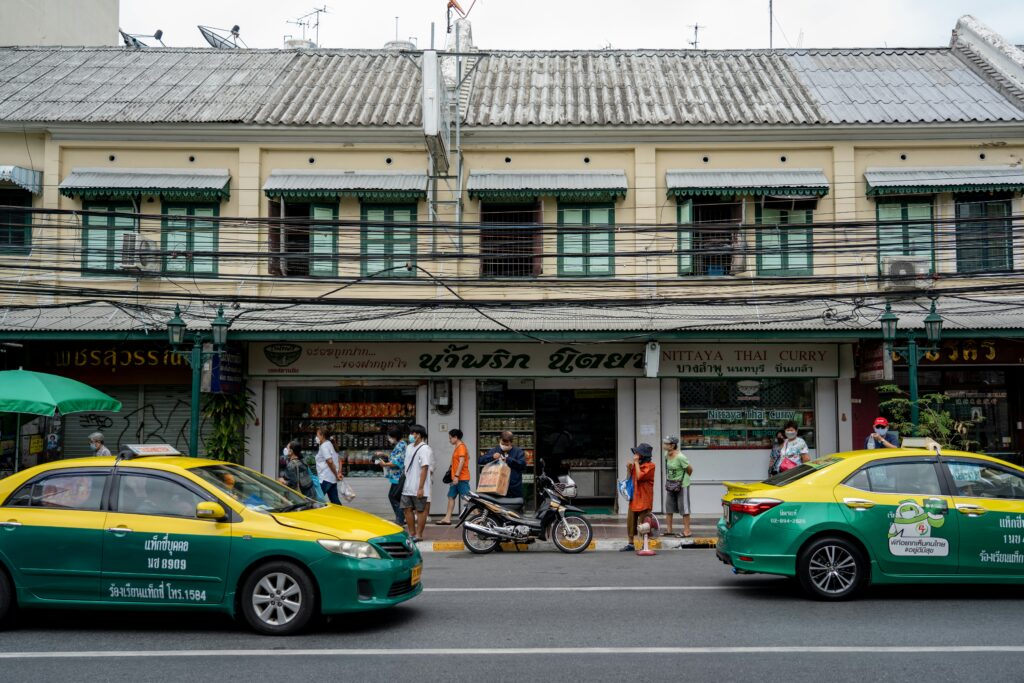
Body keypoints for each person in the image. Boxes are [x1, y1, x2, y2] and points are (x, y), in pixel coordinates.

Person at [401, 424, 433, 542]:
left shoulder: (425, 449)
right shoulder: (409, 447)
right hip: (407, 486)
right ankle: (412, 533)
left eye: (412, 433)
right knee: (407, 509)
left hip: (419, 486)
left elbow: (424, 468)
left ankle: (419, 535)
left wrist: (420, 488)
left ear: (418, 435)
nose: (410, 435)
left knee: (420, 510)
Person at [623, 443, 656, 552]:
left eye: (638, 453)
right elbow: (629, 479)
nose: (635, 455)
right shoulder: (636, 465)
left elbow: (640, 476)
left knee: (644, 523)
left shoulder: (650, 466)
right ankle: (631, 543)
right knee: (630, 522)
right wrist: (628, 469)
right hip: (634, 498)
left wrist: (636, 463)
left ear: (643, 455)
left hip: (644, 499)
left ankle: (644, 544)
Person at [478, 431, 527, 504]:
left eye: (506, 444)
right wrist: (492, 456)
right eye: (502, 443)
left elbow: (522, 465)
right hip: (496, 488)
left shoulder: (518, 452)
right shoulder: (495, 450)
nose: (504, 445)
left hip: (513, 488)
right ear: (500, 440)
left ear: (511, 442)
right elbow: (480, 460)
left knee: (515, 510)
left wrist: (509, 460)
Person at [375, 426, 407, 527]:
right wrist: (384, 454)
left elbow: (398, 462)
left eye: (390, 437)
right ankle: (401, 518)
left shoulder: (401, 445)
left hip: (399, 476)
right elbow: (395, 458)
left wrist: (385, 464)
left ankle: (400, 519)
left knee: (393, 496)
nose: (389, 439)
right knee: (395, 496)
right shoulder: (400, 445)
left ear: (395, 436)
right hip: (396, 476)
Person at [662, 436, 693, 538]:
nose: (664, 445)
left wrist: (681, 479)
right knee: (669, 508)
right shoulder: (666, 454)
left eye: (666, 444)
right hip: (671, 484)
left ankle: (687, 531)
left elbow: (690, 470)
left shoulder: (681, 457)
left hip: (682, 485)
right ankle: (669, 530)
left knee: (684, 509)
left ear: (673, 445)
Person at [438, 428, 470, 525]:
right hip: (455, 478)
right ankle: (447, 518)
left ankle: (479, 518)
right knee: (451, 496)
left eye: (450, 438)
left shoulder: (461, 447)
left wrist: (456, 476)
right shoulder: (458, 447)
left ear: (455, 437)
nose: (449, 440)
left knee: (468, 498)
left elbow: (461, 462)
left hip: (461, 478)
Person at [314, 427, 342, 505]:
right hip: (331, 479)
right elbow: (339, 460)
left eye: (317, 435)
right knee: (335, 502)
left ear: (322, 436)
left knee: (316, 501)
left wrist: (337, 474)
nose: (316, 437)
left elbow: (329, 461)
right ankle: (342, 515)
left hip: (325, 479)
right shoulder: (330, 444)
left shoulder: (324, 446)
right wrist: (338, 473)